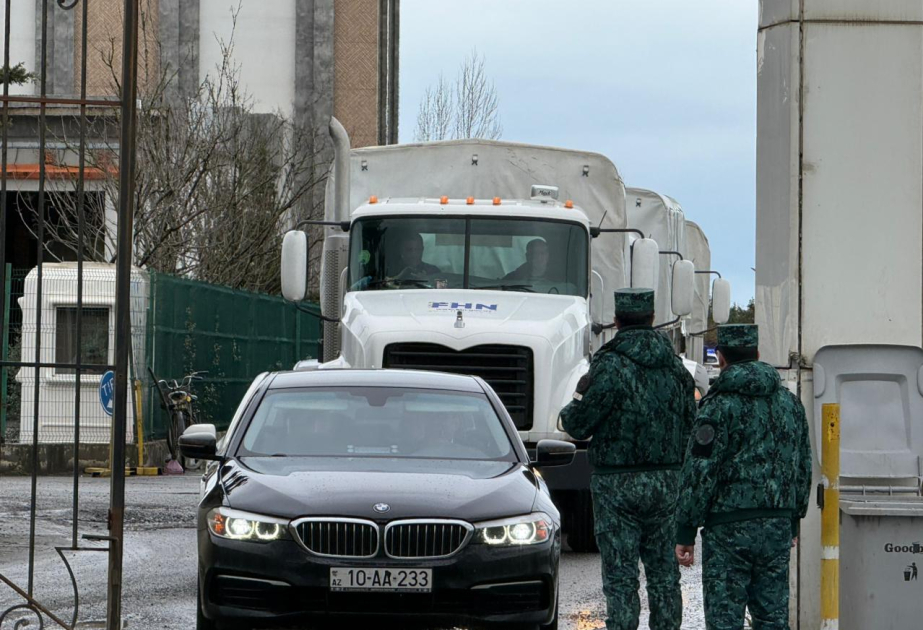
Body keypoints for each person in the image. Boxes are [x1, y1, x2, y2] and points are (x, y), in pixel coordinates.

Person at [560, 288, 696, 630]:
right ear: (652, 319)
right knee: (665, 576)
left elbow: (577, 424)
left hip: (616, 485)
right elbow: (692, 425)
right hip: (667, 482)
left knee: (621, 577)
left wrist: (576, 396)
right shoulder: (676, 370)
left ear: (617, 321)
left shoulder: (608, 365)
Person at [674, 324, 812, 630]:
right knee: (773, 619)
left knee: (724, 620)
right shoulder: (790, 404)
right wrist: (793, 519)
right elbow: (802, 465)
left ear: (720, 358)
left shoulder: (717, 407)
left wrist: (686, 530)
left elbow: (700, 471)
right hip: (777, 525)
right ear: (759, 354)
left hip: (728, 530)